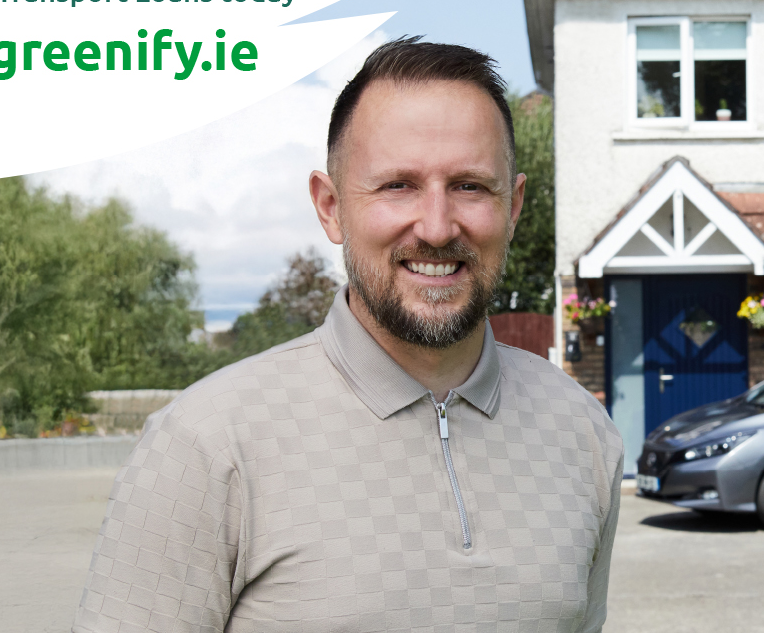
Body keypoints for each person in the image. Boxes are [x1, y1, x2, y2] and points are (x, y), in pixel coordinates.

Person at [73, 38, 622, 632]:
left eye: (469, 186)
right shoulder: (207, 445)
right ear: (330, 207)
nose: (437, 227)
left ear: (512, 207)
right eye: (397, 186)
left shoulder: (582, 432)